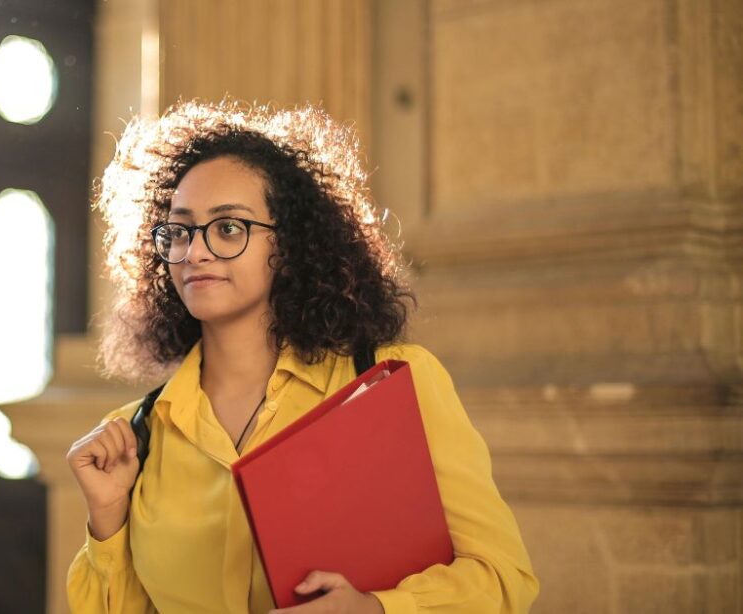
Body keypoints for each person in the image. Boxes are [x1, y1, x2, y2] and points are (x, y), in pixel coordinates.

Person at [66, 100, 538, 614]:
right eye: (178, 232)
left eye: (228, 228)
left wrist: (377, 609)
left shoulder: (390, 383)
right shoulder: (137, 437)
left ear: (287, 245)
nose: (195, 253)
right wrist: (108, 517)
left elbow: (502, 579)